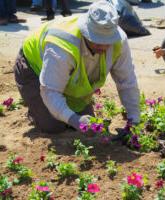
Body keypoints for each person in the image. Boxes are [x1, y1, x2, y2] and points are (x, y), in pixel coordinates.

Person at [14, 0, 140, 134]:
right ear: (86, 32)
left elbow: (127, 81)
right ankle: (36, 110)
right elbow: (50, 90)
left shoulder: (119, 41)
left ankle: (54, 109)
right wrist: (75, 120)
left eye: (107, 41)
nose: (103, 46)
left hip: (62, 74)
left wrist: (134, 120)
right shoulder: (62, 45)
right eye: (97, 40)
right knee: (53, 126)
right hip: (33, 68)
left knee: (86, 122)